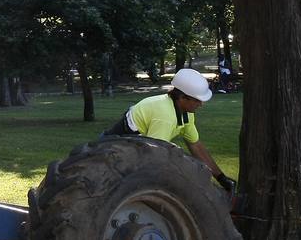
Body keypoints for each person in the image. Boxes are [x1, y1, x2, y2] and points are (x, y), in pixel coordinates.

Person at [101, 68, 235, 192]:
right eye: (197, 100)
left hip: (136, 147)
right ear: (182, 98)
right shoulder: (165, 117)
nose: (201, 104)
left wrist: (221, 177)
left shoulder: (186, 113)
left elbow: (196, 146)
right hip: (113, 151)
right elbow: (156, 157)